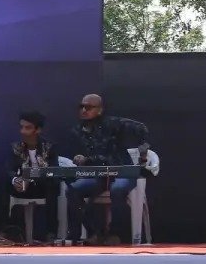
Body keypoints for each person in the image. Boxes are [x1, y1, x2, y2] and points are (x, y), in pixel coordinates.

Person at [63, 93, 149, 245]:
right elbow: (76, 154)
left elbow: (142, 129)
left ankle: (116, 234)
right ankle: (89, 233)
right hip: (98, 174)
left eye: (89, 107)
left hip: (121, 169)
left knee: (118, 189)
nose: (84, 110)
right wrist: (78, 157)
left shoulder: (113, 123)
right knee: (73, 190)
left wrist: (142, 148)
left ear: (100, 110)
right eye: (81, 106)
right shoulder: (77, 131)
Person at [4, 109, 60, 242]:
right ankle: (8, 231)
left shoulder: (50, 147)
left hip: (43, 186)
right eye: (21, 127)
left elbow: (53, 170)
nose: (23, 131)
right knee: (4, 185)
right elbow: (8, 169)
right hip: (22, 187)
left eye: (27, 128)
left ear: (38, 130)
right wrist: (15, 180)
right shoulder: (15, 147)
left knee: (53, 186)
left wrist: (32, 178)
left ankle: (50, 234)